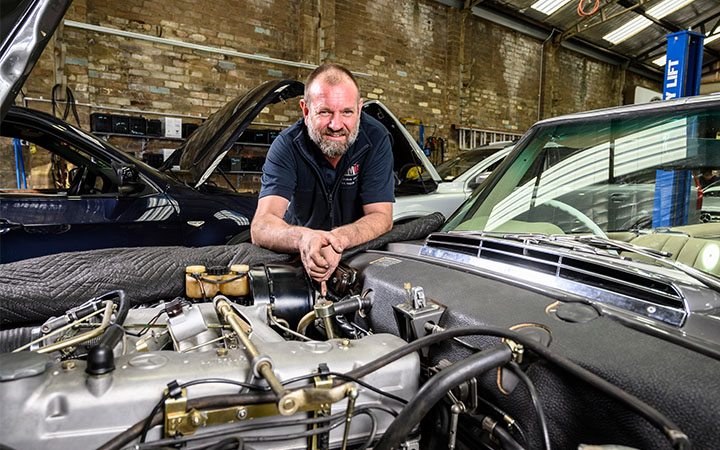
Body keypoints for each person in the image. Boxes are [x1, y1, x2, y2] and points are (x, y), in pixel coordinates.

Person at [251, 63, 394, 292]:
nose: (336, 125)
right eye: (325, 112)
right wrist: (305, 239)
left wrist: (338, 240)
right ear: (306, 110)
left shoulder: (375, 140)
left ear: (359, 109)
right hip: (301, 258)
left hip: (356, 255)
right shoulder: (286, 146)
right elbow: (261, 225)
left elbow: (381, 216)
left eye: (346, 112)